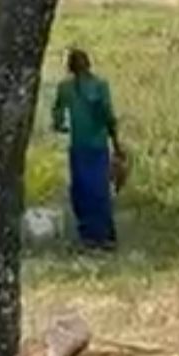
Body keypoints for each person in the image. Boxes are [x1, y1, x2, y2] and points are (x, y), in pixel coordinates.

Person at [52, 48, 122, 249]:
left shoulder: (65, 88)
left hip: (79, 146)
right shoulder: (100, 86)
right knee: (99, 191)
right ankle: (106, 236)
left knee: (81, 191)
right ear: (89, 64)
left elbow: (57, 115)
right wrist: (116, 143)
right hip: (98, 146)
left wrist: (61, 126)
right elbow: (108, 116)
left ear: (70, 67)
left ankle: (88, 236)